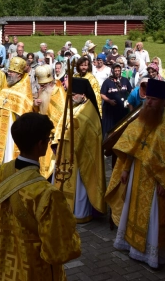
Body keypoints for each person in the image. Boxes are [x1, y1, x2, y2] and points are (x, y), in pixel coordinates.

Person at [106, 79, 165, 268]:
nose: (148, 103)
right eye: (147, 98)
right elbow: (132, 145)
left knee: (154, 217)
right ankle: (133, 248)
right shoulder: (142, 116)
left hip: (157, 180)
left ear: (163, 100)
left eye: (153, 99)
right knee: (133, 211)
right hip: (136, 174)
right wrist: (125, 169)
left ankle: (152, 256)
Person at [0, 113, 81, 280]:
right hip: (33, 268)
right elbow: (58, 251)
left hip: (1, 261)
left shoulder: (3, 171)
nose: (50, 141)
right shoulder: (47, 194)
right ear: (40, 144)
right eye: (48, 138)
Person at [52, 78, 106, 223]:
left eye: (73, 94)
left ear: (84, 95)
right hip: (65, 153)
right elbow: (61, 124)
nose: (70, 97)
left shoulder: (89, 111)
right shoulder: (73, 106)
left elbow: (87, 133)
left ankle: (80, 212)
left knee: (79, 184)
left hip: (80, 157)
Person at [0, 57, 34, 179]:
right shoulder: (8, 85)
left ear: (19, 75)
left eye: (12, 72)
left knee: (9, 148)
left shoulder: (24, 88)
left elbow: (26, 109)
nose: (8, 73)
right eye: (9, 70)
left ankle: (10, 172)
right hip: (1, 123)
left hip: (12, 125)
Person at [33, 65, 66, 179]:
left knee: (53, 167)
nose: (41, 88)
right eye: (40, 85)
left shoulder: (58, 92)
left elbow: (62, 116)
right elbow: (39, 111)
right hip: (43, 134)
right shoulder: (43, 91)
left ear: (50, 82)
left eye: (43, 85)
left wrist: (55, 135)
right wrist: (35, 104)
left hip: (54, 137)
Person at [101, 64, 132, 138]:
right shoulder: (107, 81)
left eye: (118, 70)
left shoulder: (125, 80)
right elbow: (102, 94)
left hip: (122, 109)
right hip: (110, 110)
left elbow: (131, 91)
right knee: (110, 129)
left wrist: (129, 101)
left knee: (122, 128)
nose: (117, 72)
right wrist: (109, 101)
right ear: (112, 71)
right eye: (115, 71)